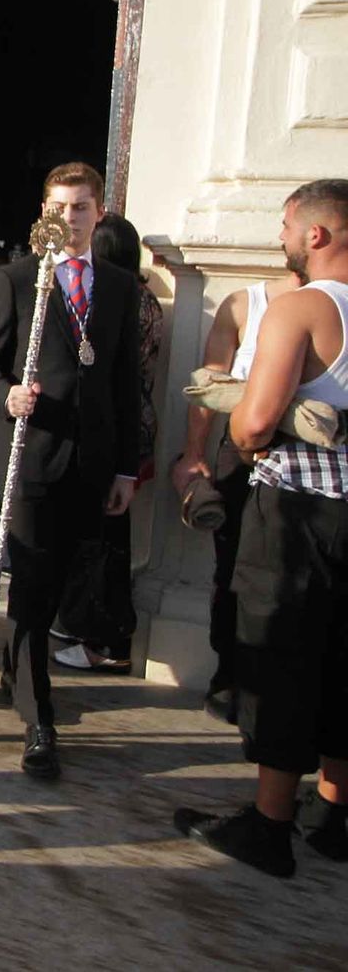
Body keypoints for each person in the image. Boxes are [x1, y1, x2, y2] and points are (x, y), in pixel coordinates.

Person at [174, 178, 348, 877]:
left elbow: (250, 424)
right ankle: (334, 817)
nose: (279, 238)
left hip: (300, 515)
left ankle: (270, 823)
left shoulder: (299, 308)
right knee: (343, 660)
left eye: (283, 226)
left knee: (283, 658)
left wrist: (249, 437)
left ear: (316, 234)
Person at [0, 162, 139, 780]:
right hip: (31, 456)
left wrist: (126, 469)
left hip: (90, 461)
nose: (70, 218)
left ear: (99, 212)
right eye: (60, 207)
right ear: (43, 211)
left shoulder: (120, 286)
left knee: (57, 585)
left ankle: (19, 666)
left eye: (82, 207)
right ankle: (39, 718)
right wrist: (7, 396)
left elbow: (125, 384)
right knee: (34, 584)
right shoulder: (14, 280)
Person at [171, 266, 302, 721]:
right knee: (232, 570)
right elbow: (209, 383)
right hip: (243, 453)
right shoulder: (244, 304)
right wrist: (193, 453)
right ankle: (229, 675)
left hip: (313, 466)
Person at [53, 213, 163, 671]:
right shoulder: (146, 297)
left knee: (106, 537)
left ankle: (107, 634)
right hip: (133, 422)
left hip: (119, 426)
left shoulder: (122, 297)